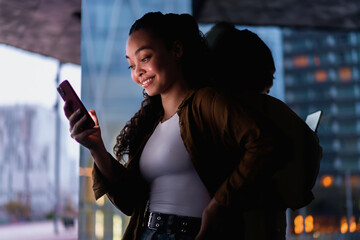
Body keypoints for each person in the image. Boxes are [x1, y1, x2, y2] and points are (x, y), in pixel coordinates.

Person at [64, 12, 285, 240]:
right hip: (147, 233)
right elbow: (130, 201)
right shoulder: (152, 124)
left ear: (176, 50)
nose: (137, 71)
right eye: (131, 65)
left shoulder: (206, 102)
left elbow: (266, 143)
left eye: (145, 58)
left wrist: (218, 206)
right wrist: (96, 147)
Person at [205, 22, 323, 238]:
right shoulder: (271, 111)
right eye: (269, 73)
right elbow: (298, 185)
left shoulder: (206, 110)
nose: (270, 82)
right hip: (261, 226)